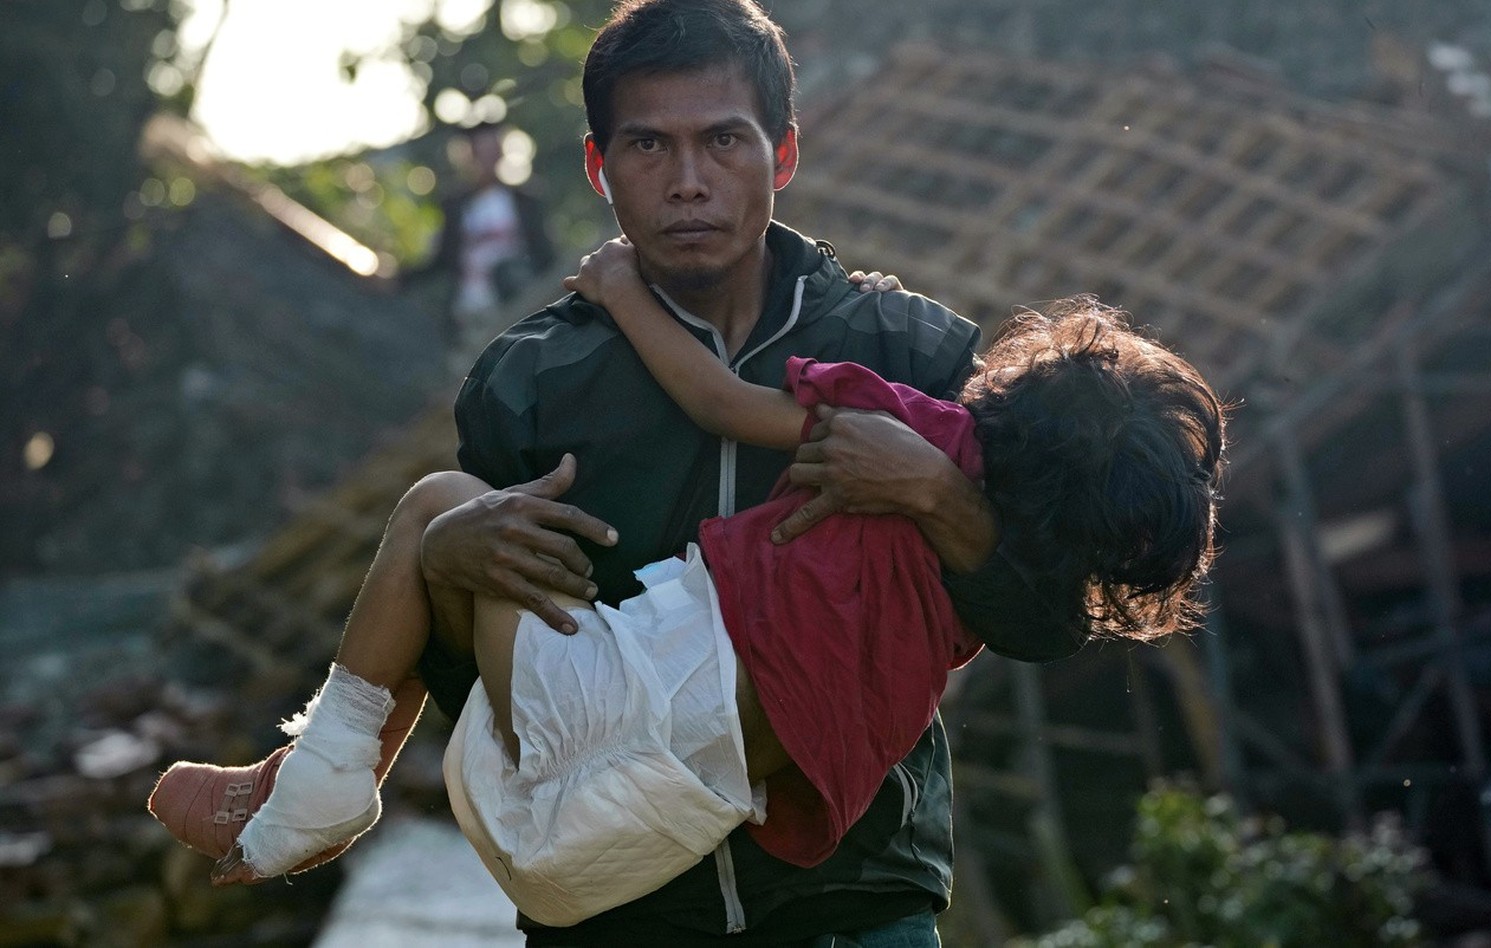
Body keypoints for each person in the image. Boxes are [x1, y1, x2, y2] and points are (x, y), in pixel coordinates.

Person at [152, 1, 1120, 943]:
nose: (688, 180)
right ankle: (309, 777)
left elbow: (1043, 617)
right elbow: (498, 697)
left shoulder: (905, 353)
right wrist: (448, 558)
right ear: (598, 168)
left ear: (782, 152)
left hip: (855, 911)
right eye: (649, 146)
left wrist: (934, 491)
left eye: (724, 142)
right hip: (624, 919)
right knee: (442, 521)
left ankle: (303, 779)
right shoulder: (530, 384)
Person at [147, 257, 1225, 929]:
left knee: (439, 499)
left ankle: (322, 776)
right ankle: (313, 783)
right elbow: (1045, 615)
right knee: (465, 535)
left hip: (620, 730)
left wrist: (617, 288)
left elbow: (717, 398)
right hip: (664, 827)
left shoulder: (915, 408)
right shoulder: (993, 580)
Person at [399, 121, 556, 366]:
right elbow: (441, 259)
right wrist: (399, 279)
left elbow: (545, 256)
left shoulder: (525, 201)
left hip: (517, 307)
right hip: (470, 313)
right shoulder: (456, 205)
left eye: (492, 150)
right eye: (479, 152)